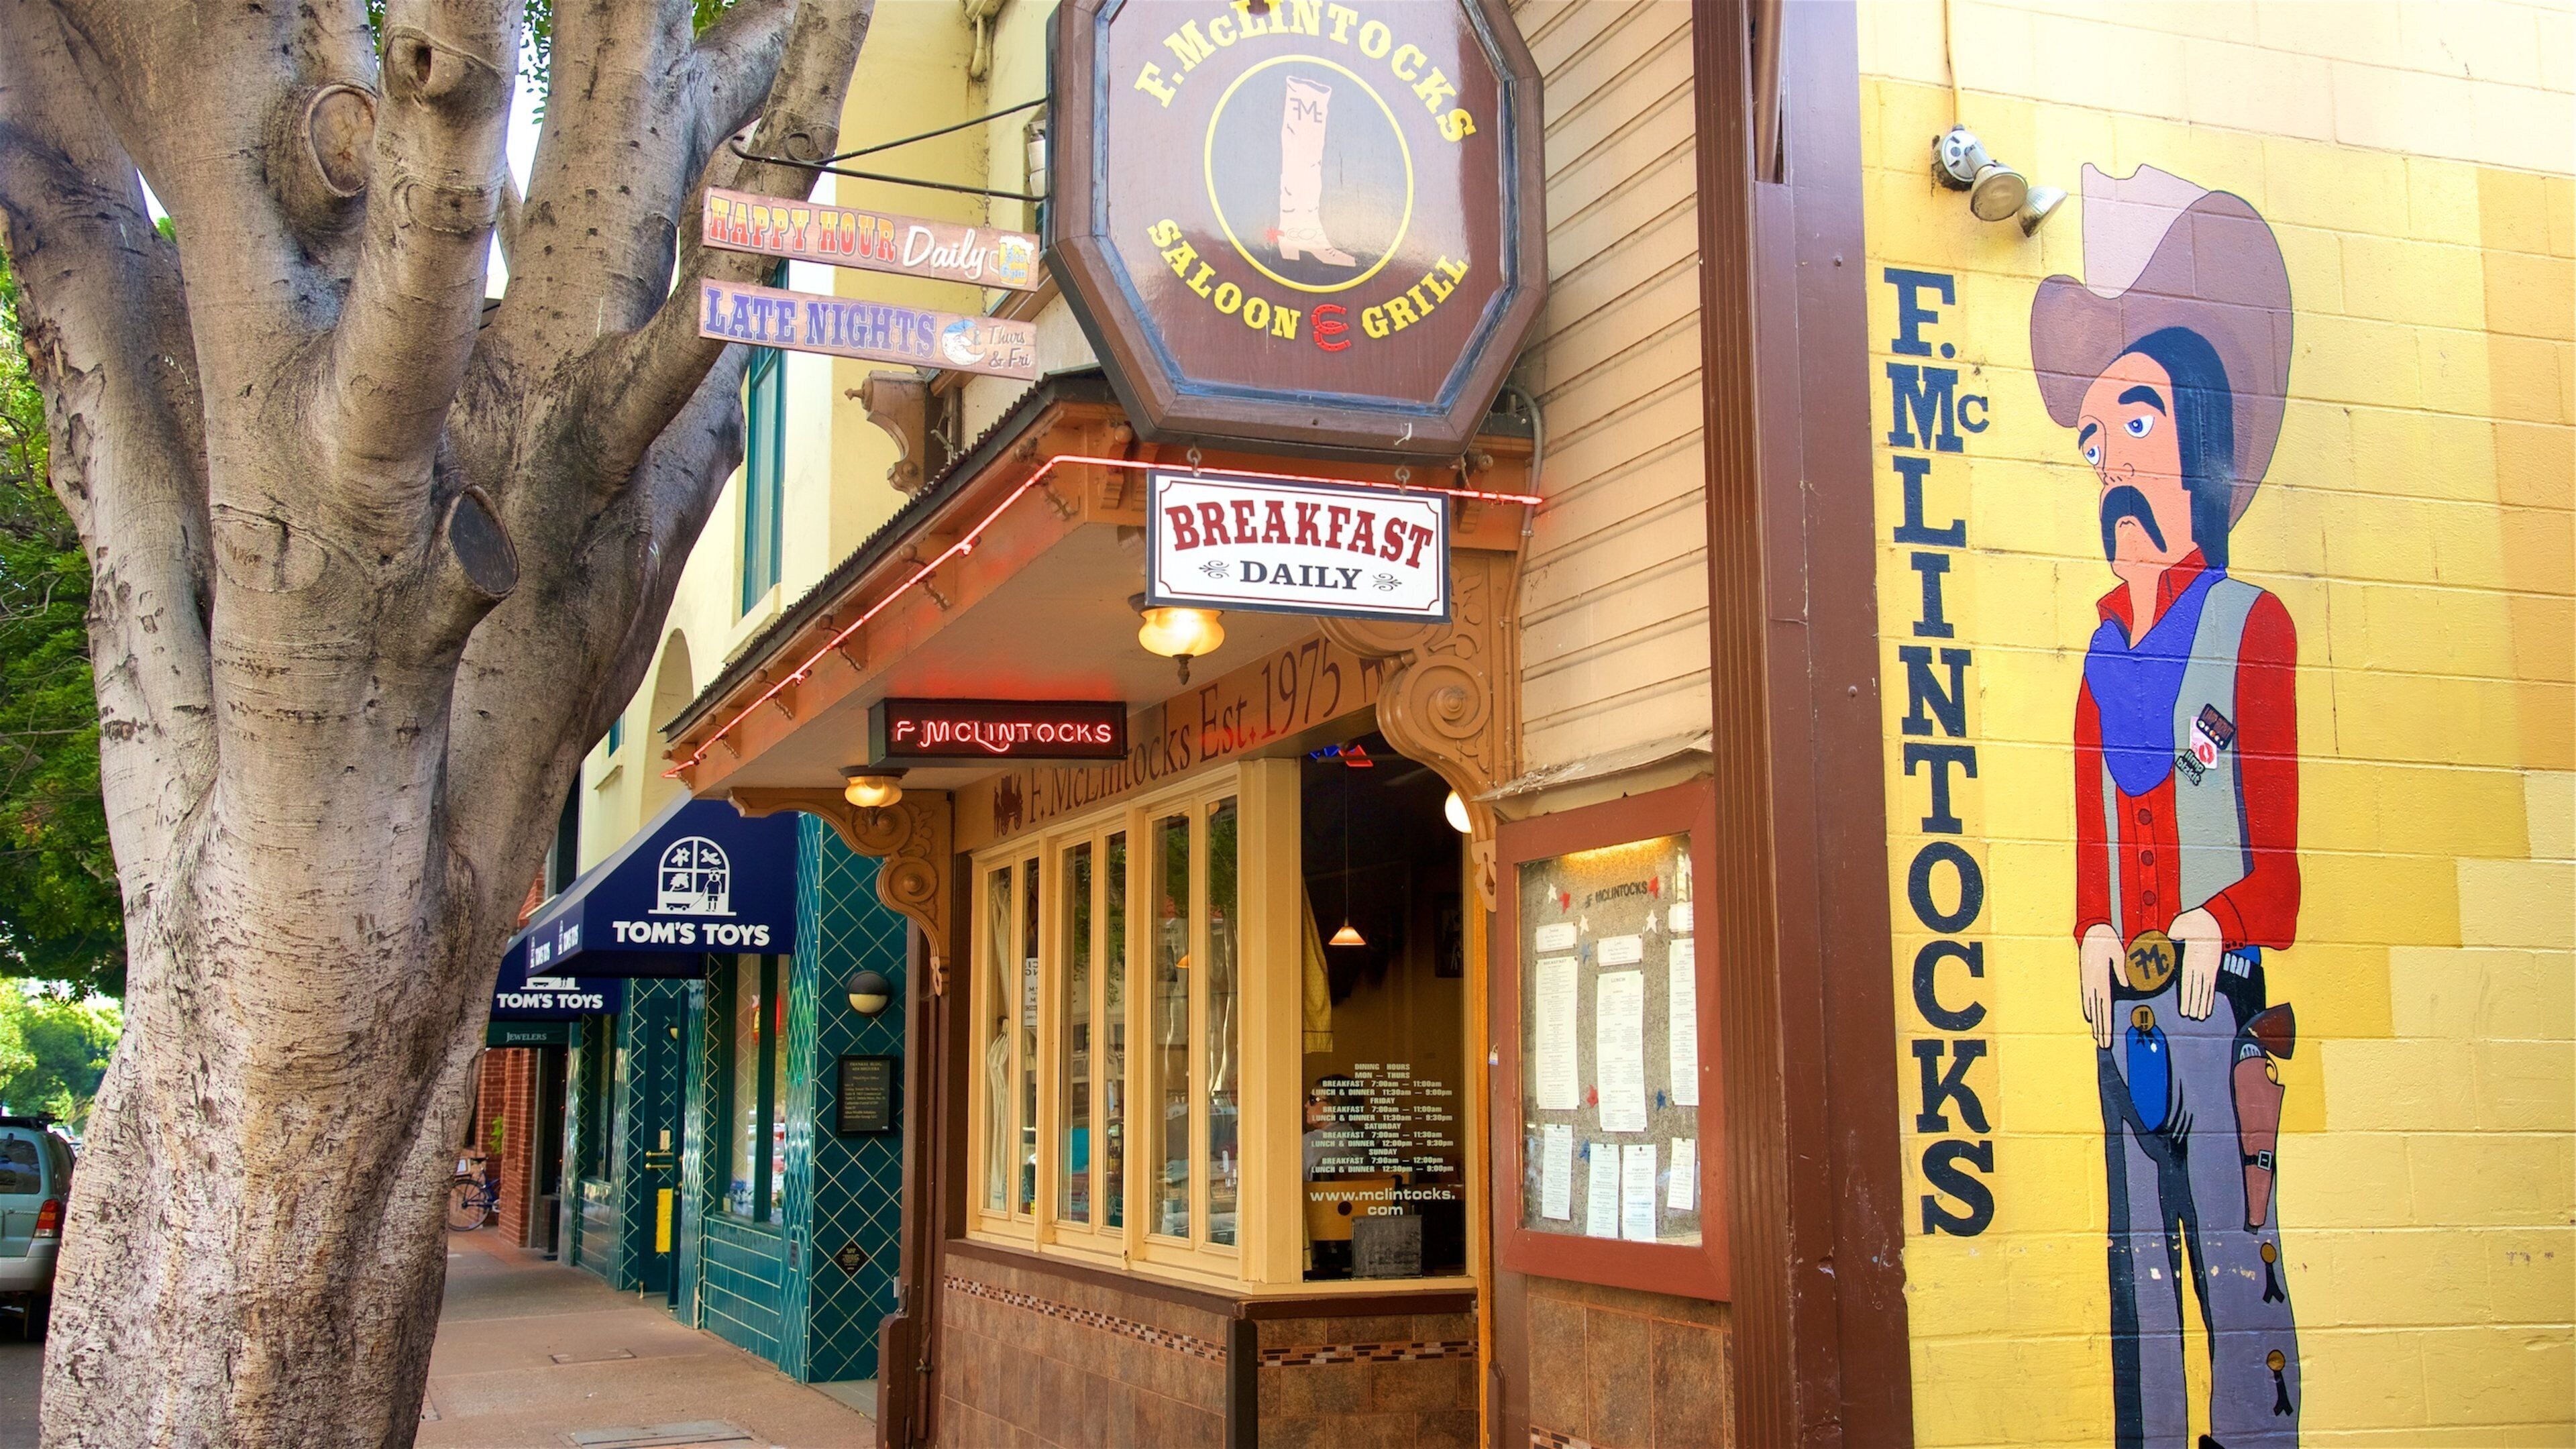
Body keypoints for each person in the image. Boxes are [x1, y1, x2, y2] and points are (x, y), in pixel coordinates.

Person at [2031, 164, 2304, 1449]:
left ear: (2194, 442)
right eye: (2092, 442)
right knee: (2137, 1272)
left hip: (2218, 1004)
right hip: (2124, 1007)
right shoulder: (2098, 655)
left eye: (2127, 424)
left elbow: (2283, 867)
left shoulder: (2252, 628)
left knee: (2235, 1262)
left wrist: (2218, 923)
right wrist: (2093, 931)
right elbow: (2093, 837)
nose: (2106, 464)